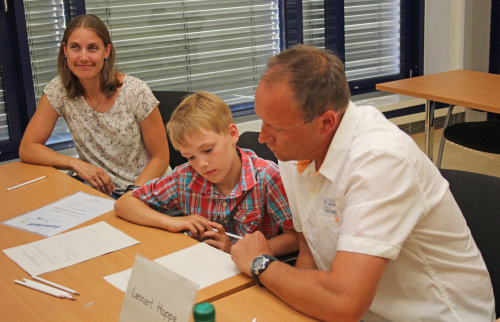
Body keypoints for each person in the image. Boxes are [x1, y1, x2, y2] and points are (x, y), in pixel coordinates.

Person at [231, 45, 495, 321]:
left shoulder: (380, 160)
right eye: (263, 120)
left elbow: (343, 303)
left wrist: (261, 264)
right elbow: (309, 250)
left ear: (326, 122)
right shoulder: (296, 149)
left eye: (276, 127)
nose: (262, 137)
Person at [115, 91, 298, 255]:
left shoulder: (267, 177)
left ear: (232, 134)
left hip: (248, 274)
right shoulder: (185, 177)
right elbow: (124, 204)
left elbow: (295, 239)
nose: (201, 164)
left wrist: (235, 251)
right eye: (190, 157)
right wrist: (171, 222)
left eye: (208, 149)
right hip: (200, 265)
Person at [19, 14, 169, 198]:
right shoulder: (59, 90)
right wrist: (75, 164)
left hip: (146, 189)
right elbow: (27, 148)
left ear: (106, 51)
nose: (83, 57)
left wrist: (131, 195)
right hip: (101, 193)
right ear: (65, 50)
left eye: (92, 48)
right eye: (75, 47)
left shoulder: (135, 91)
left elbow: (160, 158)